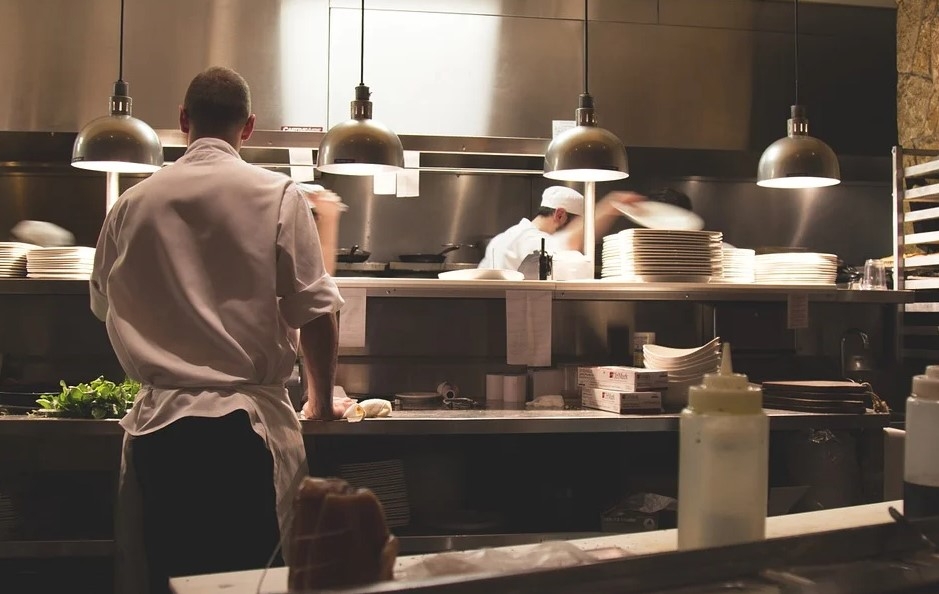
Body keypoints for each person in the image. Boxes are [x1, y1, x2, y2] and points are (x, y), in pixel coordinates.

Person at [89, 66, 351, 594]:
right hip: (243, 436)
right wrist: (321, 404)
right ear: (248, 126)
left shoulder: (131, 203)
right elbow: (317, 312)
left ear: (183, 120)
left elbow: (102, 305)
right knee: (251, 586)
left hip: (159, 434)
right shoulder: (278, 194)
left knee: (168, 581)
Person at [478, 185, 644, 271]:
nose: (579, 230)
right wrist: (611, 205)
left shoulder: (501, 238)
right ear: (559, 215)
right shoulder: (531, 240)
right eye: (577, 224)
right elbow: (567, 242)